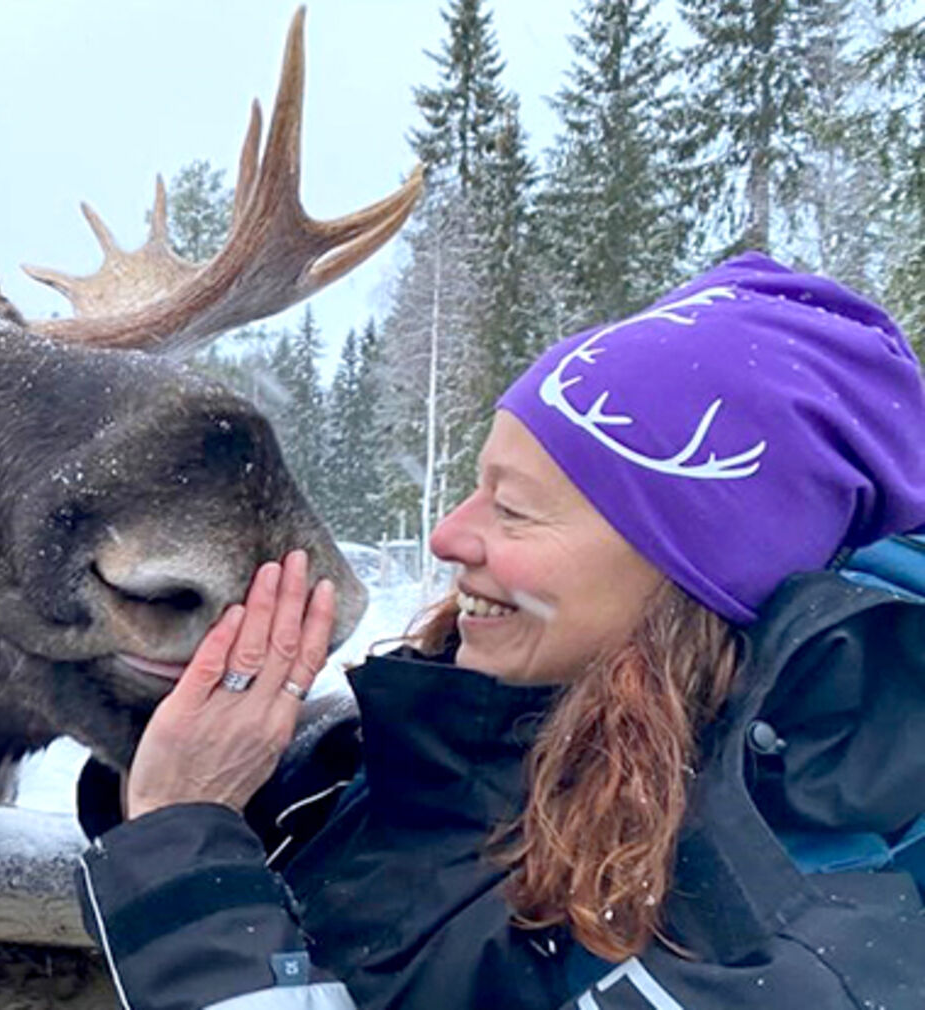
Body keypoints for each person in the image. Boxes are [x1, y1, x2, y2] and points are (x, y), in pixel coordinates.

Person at [73, 252, 925, 1010]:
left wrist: (183, 848)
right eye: (478, 486)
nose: (448, 535)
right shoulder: (491, 737)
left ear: (693, 581)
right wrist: (195, 760)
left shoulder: (792, 952)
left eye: (513, 510)